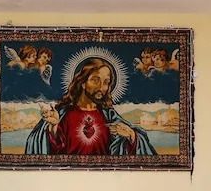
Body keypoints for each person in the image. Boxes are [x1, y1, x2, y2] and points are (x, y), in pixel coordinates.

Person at [25, 57, 157, 156]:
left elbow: (142, 152)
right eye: (95, 80)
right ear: (82, 82)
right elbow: (47, 150)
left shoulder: (110, 117)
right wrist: (53, 128)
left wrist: (131, 135)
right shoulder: (62, 115)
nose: (101, 87)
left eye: (106, 82)